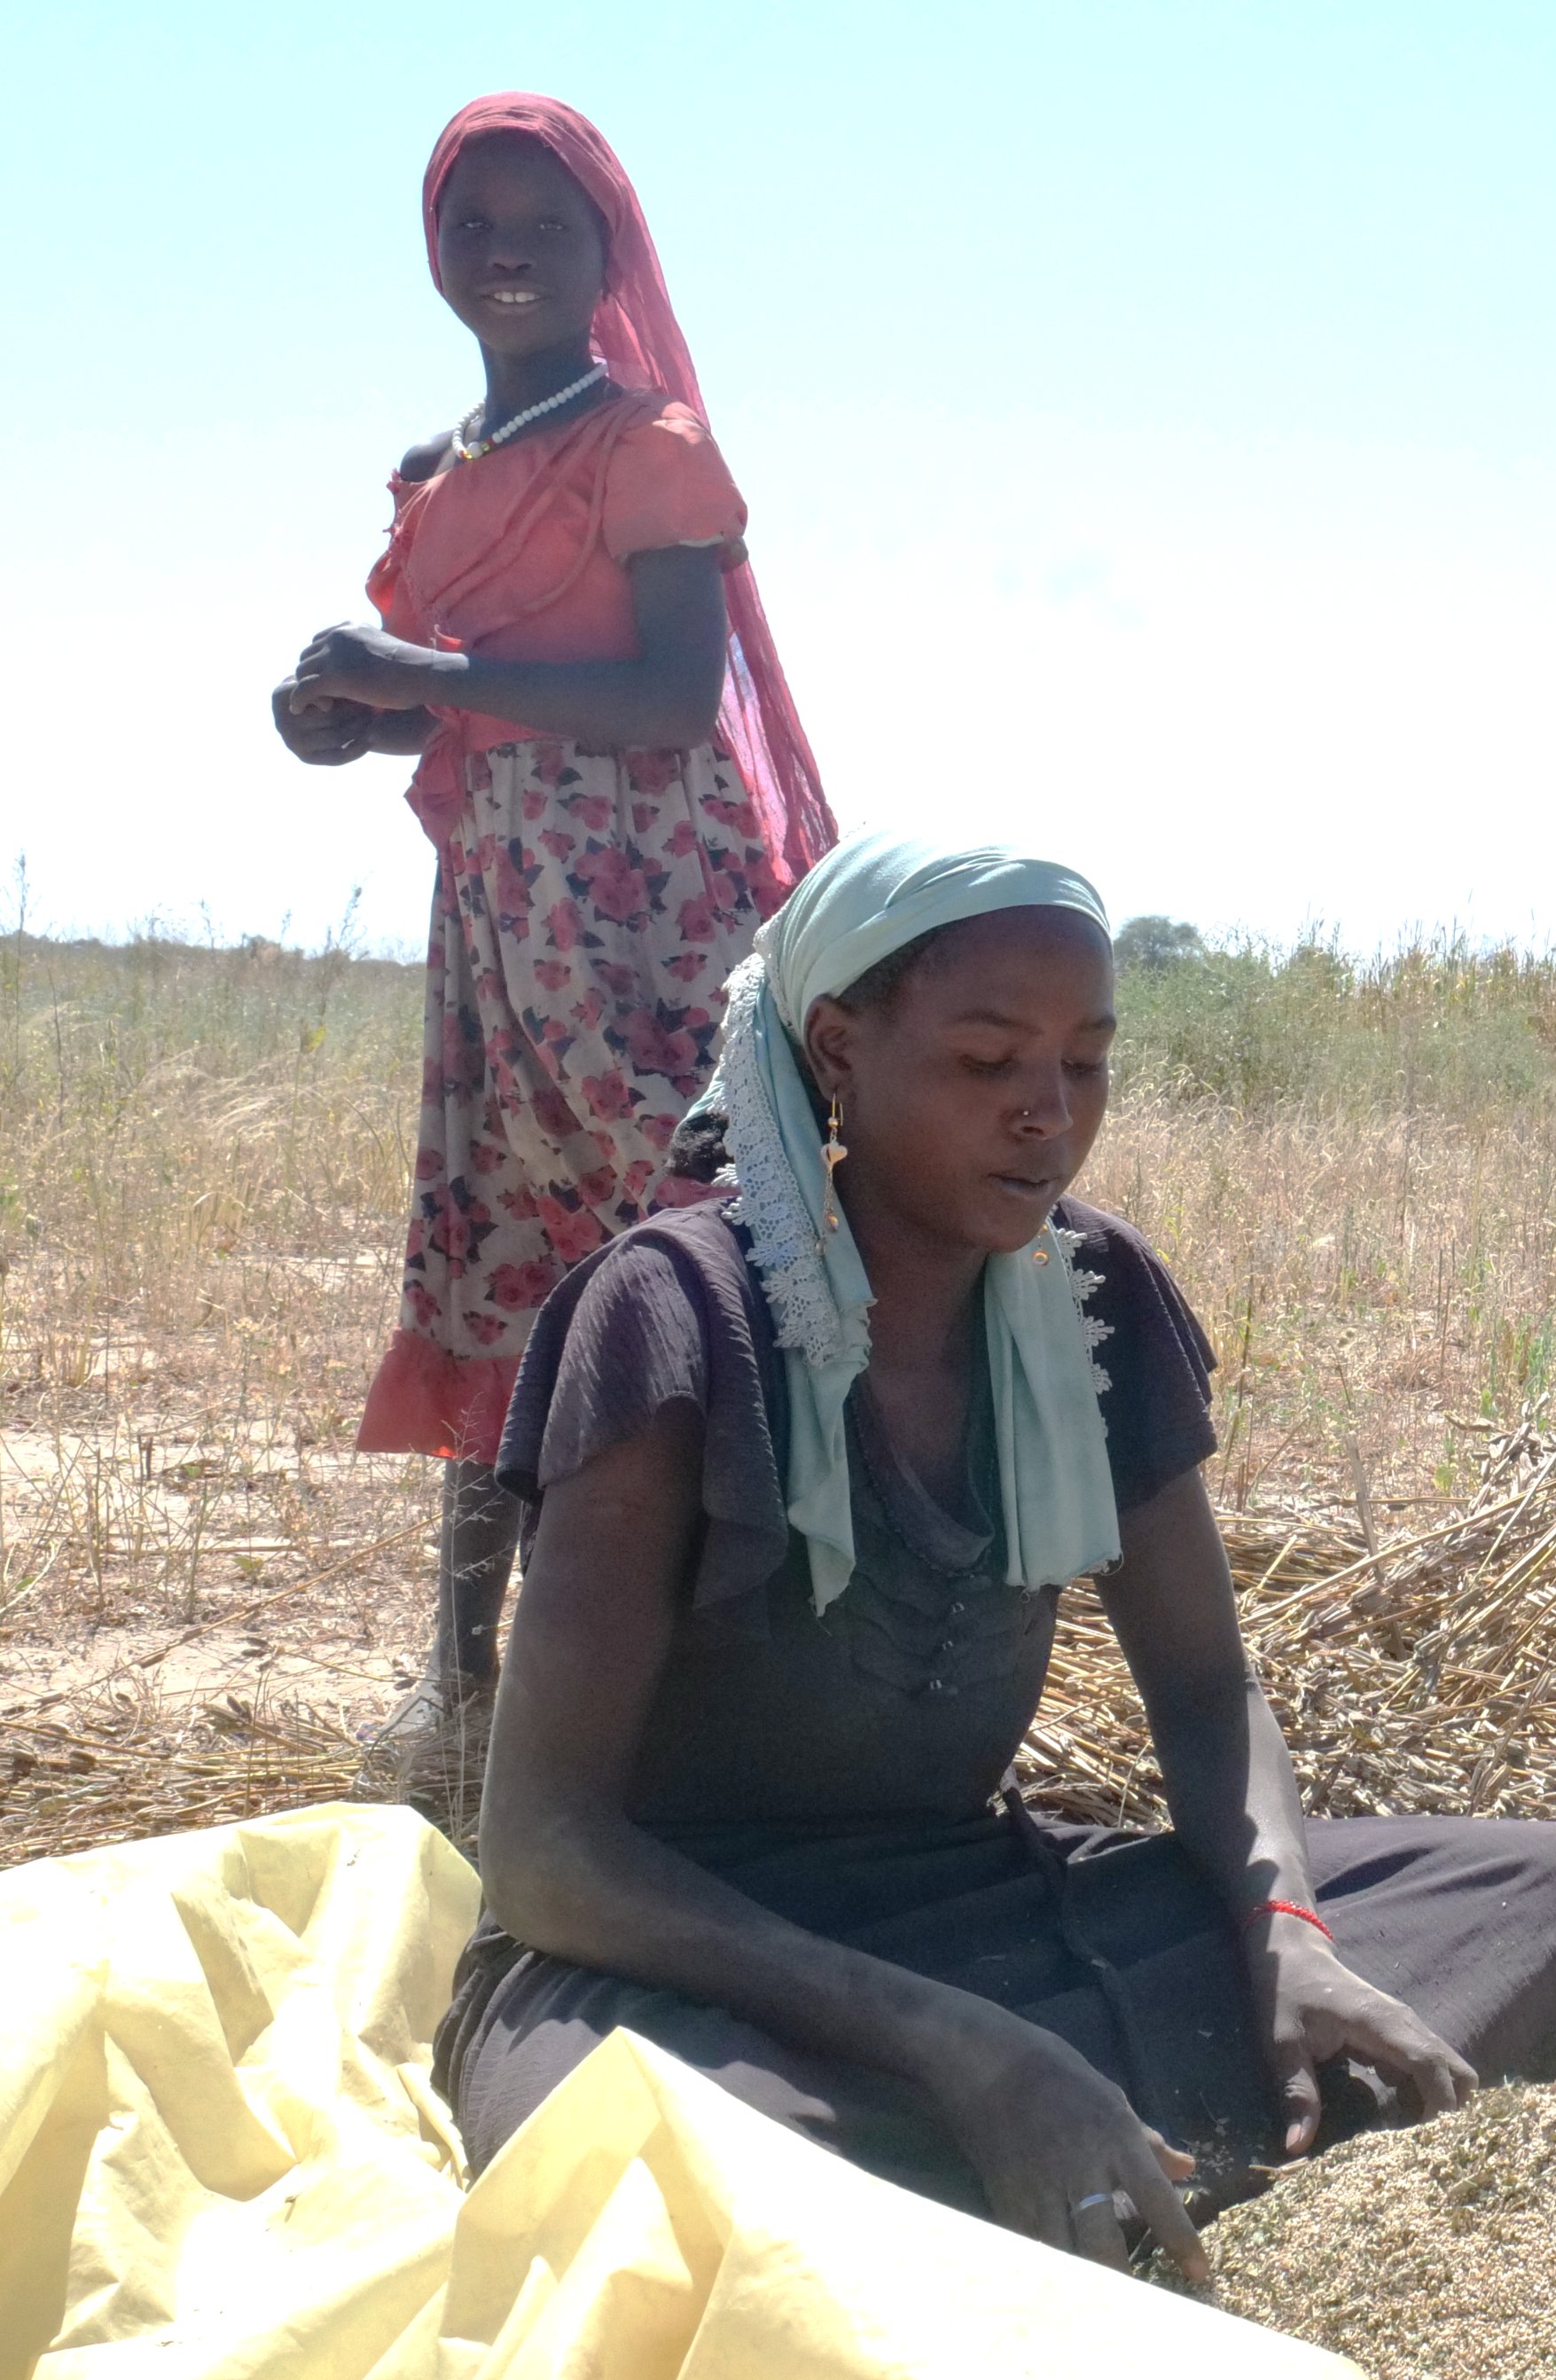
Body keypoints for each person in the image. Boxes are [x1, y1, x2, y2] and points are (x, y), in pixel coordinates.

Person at [435, 834, 1556, 2274]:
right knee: (701, 2199)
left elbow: (1203, 1693)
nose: (1046, 1117)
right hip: (674, 1965)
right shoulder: (678, 1314)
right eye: (988, 1063)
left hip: (983, 1903)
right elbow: (546, 1854)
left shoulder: (1093, 1293)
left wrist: (1288, 1937)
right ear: (839, 1051)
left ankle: (1070, 2133)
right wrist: (962, 2045)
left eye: (1087, 1064)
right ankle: (1049, 2130)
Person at [270, 95, 833, 1803]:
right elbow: (481, 715)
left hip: (651, 913)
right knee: (498, 1258)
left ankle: (737, 1686)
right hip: (508, 923)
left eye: (544, 224)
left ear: (608, 252)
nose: (504, 251)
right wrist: (345, 717)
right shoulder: (439, 476)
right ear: (434, 249)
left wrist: (419, 681)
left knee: (691, 1254)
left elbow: (666, 699)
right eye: (472, 223)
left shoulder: (645, 446)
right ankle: (462, 1688)